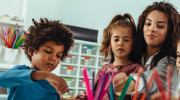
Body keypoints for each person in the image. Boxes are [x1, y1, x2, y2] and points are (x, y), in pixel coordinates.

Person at [113, 1, 180, 97]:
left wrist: (129, 83)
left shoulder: (171, 64)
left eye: (160, 26)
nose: (151, 29)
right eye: (148, 24)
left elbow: (150, 80)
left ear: (171, 32)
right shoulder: (137, 56)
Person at [0, 18, 74, 100]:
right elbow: (1, 78)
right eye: (48, 51)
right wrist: (45, 75)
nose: (53, 58)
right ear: (31, 51)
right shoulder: (20, 71)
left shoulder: (53, 84)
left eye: (58, 56)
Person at [76, 13, 142, 100]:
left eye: (126, 40)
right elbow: (93, 94)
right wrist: (82, 96)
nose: (120, 43)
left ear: (133, 44)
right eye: (116, 39)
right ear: (110, 44)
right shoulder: (103, 70)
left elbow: (140, 95)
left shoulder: (137, 69)